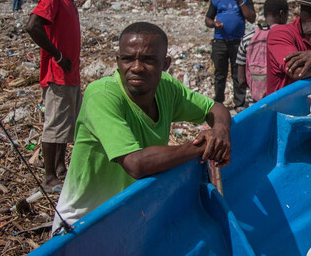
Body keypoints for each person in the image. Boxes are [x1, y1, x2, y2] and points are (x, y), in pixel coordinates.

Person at [51, 22, 232, 234]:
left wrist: (220, 131)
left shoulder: (167, 88)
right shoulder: (102, 95)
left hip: (132, 214)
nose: (136, 67)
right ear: (118, 62)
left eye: (148, 60)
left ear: (165, 64)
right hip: (83, 223)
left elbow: (215, 108)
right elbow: (136, 163)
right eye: (128, 59)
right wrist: (203, 147)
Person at [25, 0, 83, 192]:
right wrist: (57, 55)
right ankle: (49, 178)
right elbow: (33, 26)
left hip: (70, 74)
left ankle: (60, 170)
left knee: (66, 126)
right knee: (55, 125)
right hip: (57, 74)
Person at [204, 0, 255, 110]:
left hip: (238, 42)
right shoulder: (216, 0)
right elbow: (208, 19)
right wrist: (214, 24)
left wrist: (239, 0)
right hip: (220, 42)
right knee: (220, 74)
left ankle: (239, 103)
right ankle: (219, 102)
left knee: (238, 74)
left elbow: (251, 18)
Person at [235, 0, 290, 104]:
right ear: (281, 13)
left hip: (255, 103)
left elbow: (241, 80)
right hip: (280, 101)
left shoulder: (247, 39)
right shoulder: (286, 39)